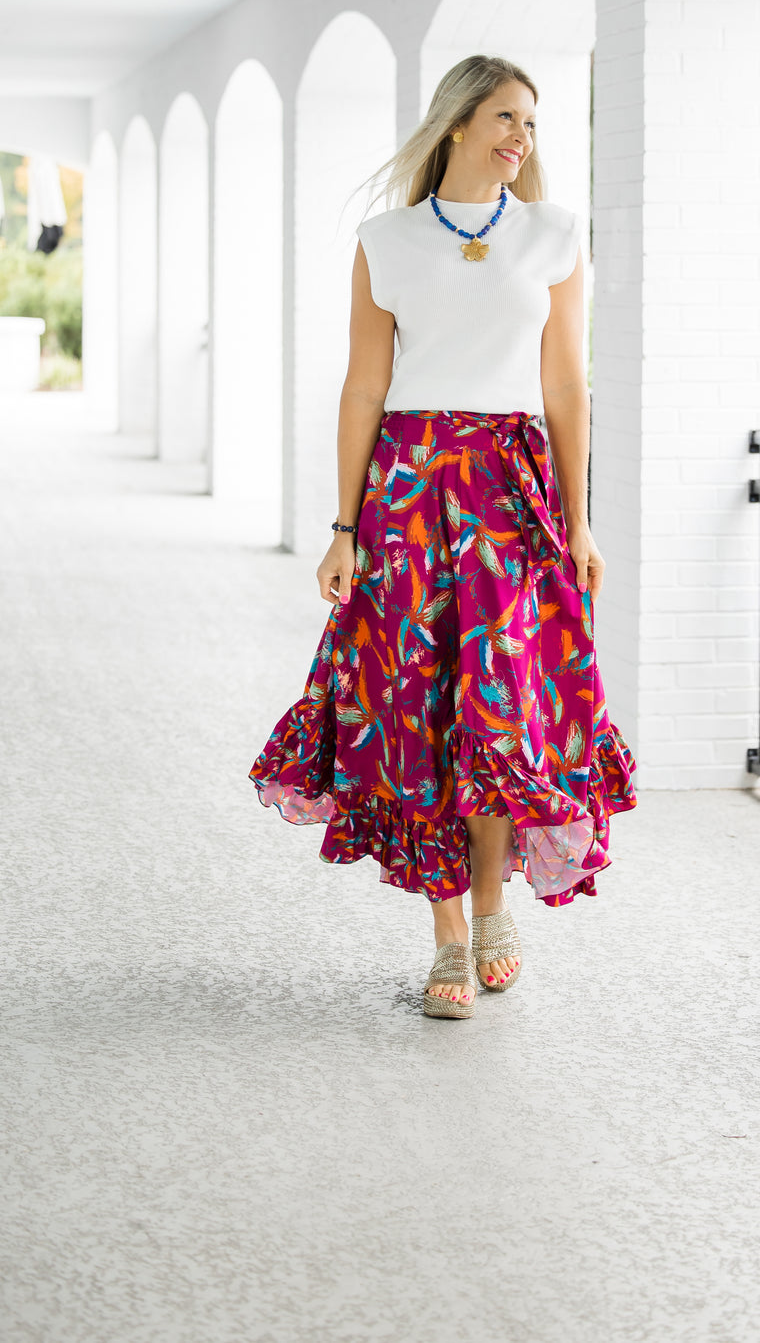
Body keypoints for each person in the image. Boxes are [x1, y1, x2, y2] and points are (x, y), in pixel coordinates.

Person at [250, 54, 636, 1020]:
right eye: (506, 117)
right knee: (415, 717)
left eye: (533, 125)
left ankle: (497, 908)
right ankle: (450, 936)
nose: (522, 138)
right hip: (409, 497)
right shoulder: (387, 241)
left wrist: (580, 520)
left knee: (500, 715)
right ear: (458, 123)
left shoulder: (553, 236)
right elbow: (364, 390)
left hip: (511, 493)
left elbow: (563, 390)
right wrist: (343, 529)